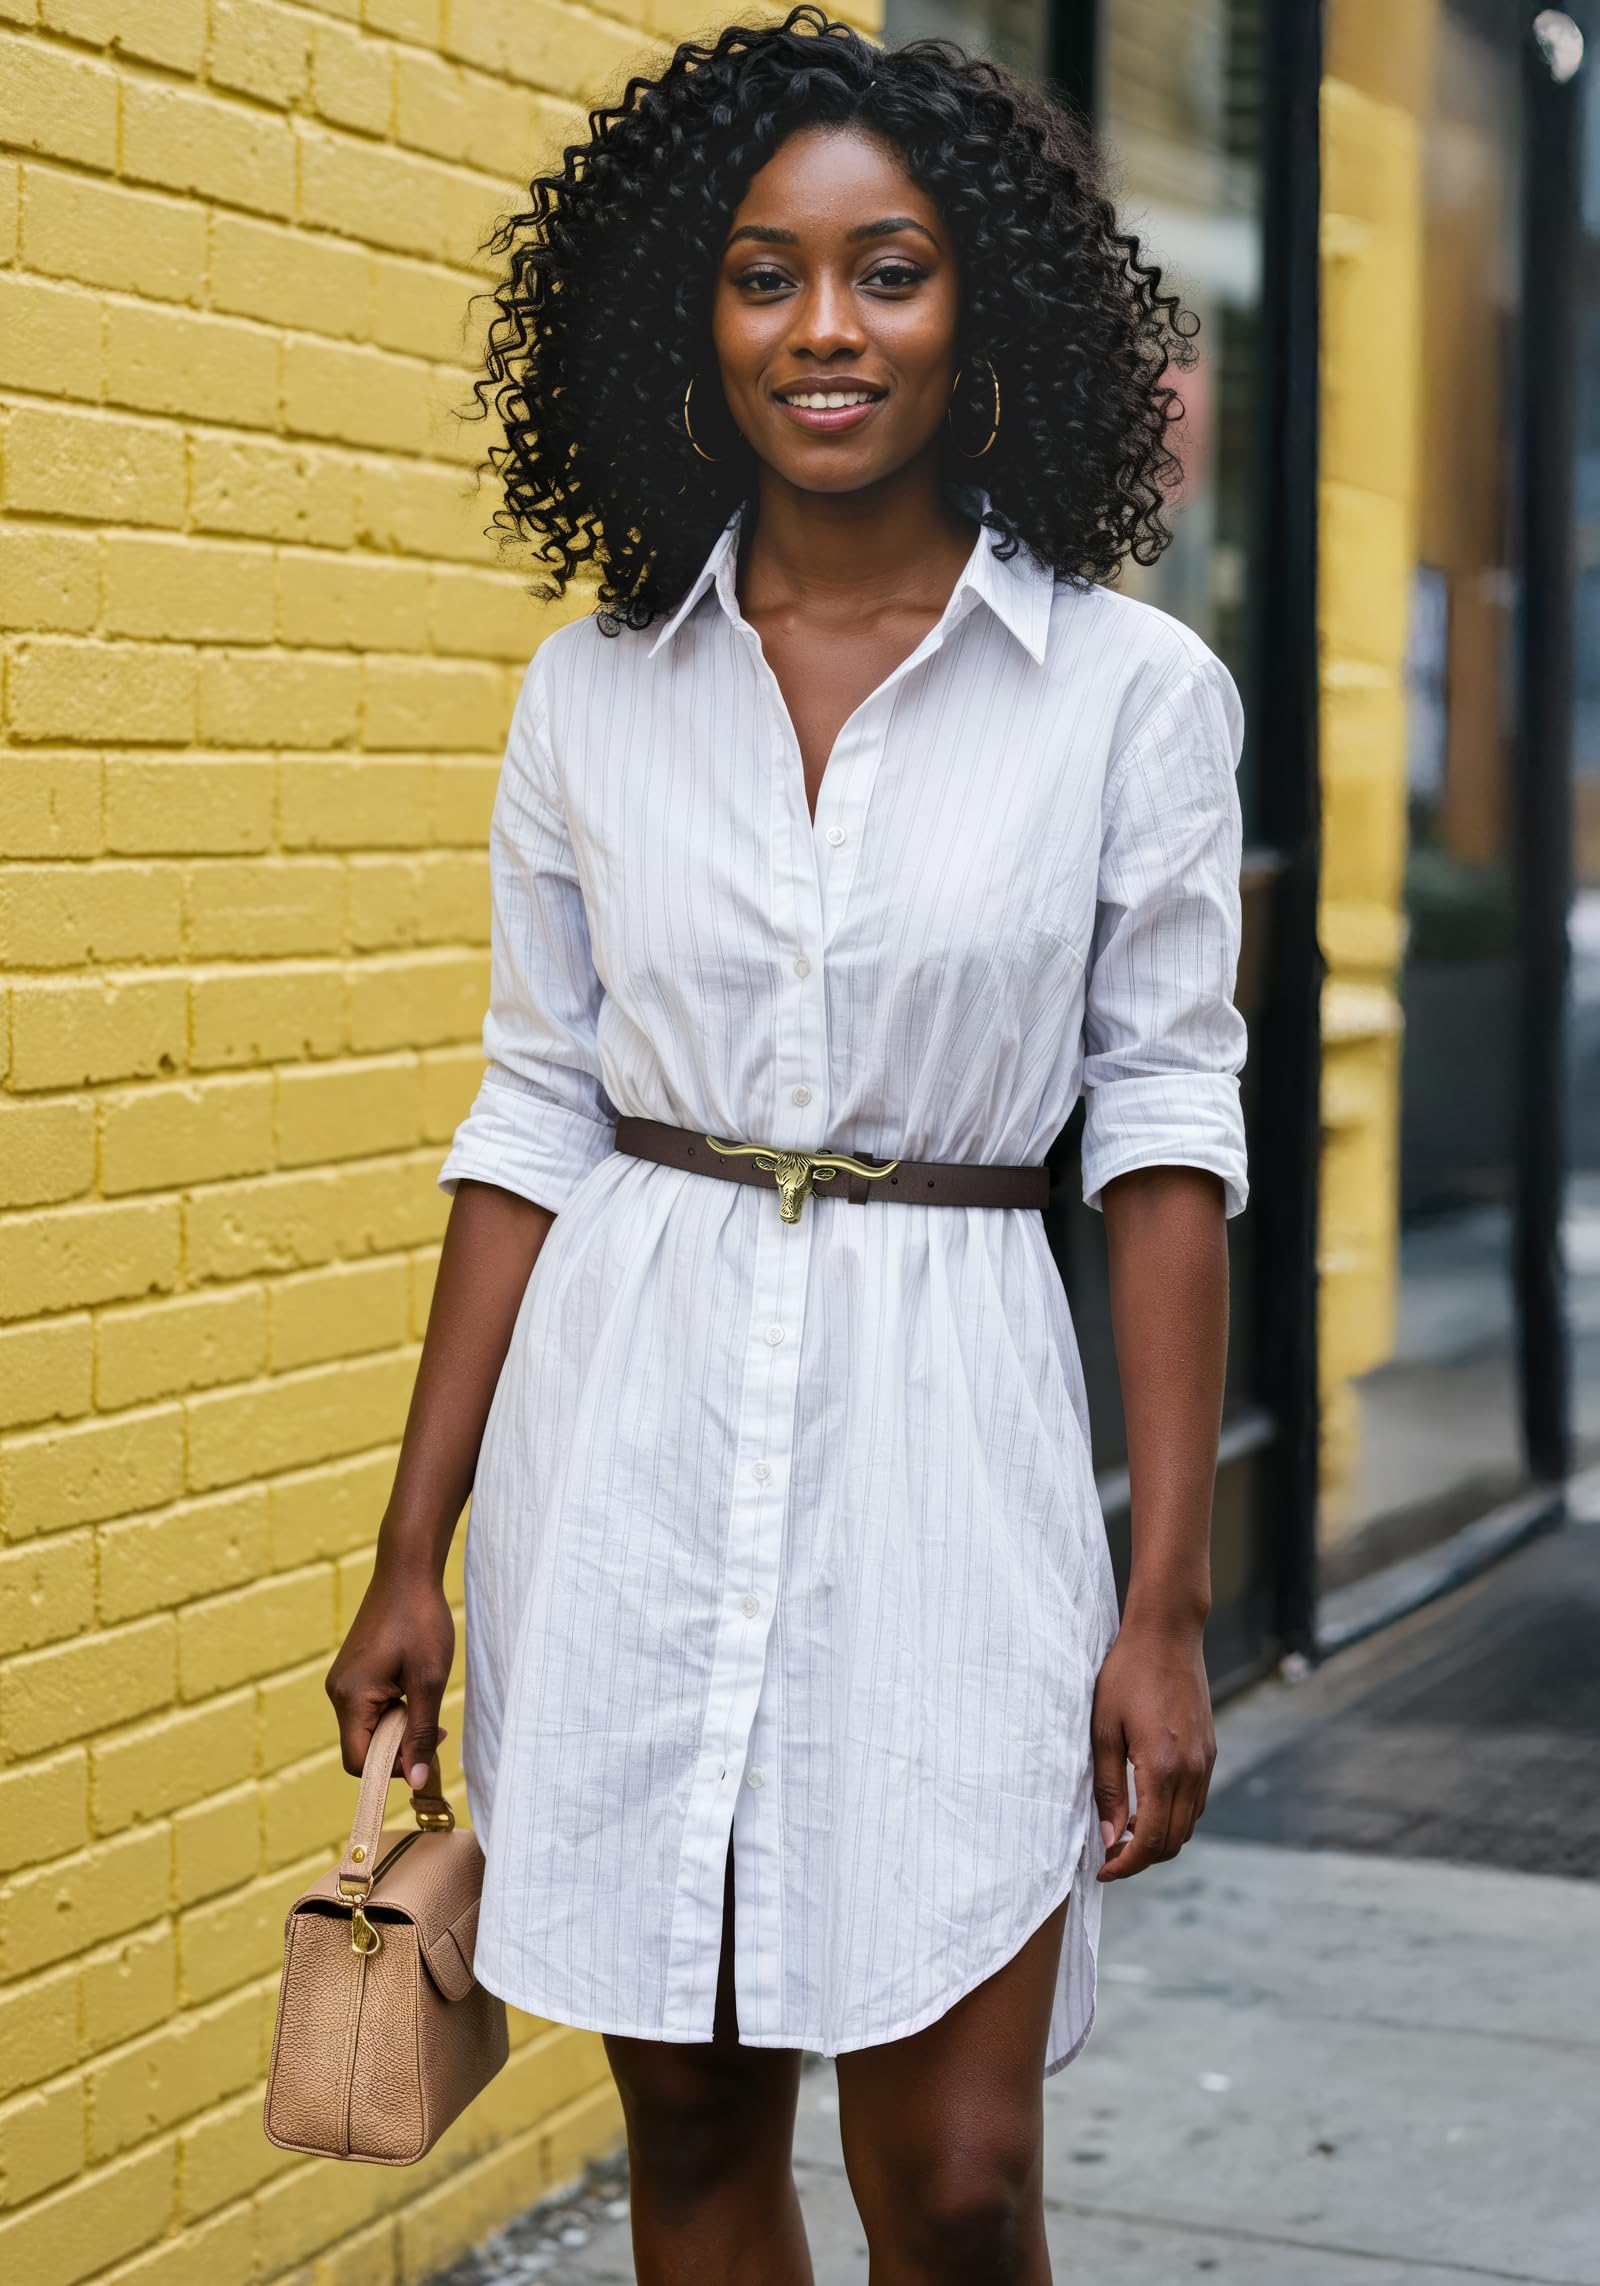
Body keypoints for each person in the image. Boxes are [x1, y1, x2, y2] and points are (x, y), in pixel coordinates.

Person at [324, 10, 1248, 2280]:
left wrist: (1163, 1606)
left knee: (959, 2181)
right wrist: (411, 1549)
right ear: (688, 318)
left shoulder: (1125, 698)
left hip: (953, 1437)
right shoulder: (591, 692)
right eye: (764, 273)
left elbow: (1157, 1126)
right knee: (705, 2138)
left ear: (982, 308)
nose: (822, 326)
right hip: (627, 1438)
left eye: (887, 269)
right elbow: (530, 1107)